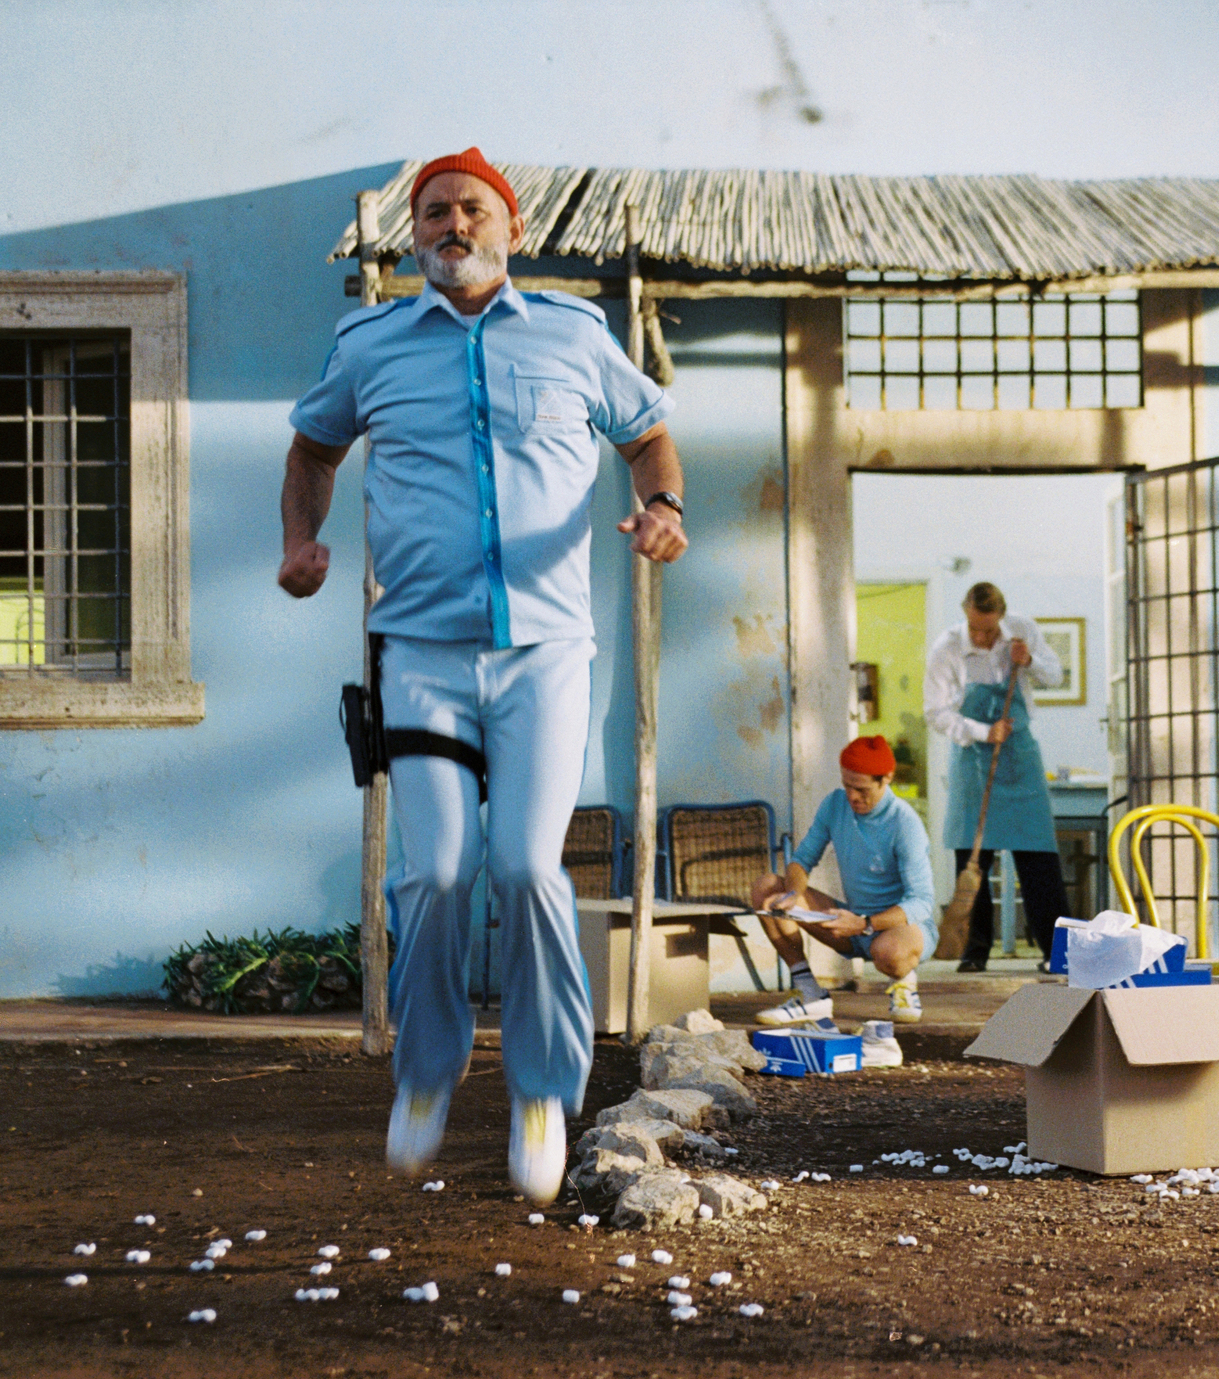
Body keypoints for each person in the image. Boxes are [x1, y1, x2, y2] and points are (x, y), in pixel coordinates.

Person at [278, 148, 688, 1204]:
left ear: (508, 227)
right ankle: (426, 1070)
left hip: (544, 655)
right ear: (412, 233)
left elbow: (646, 434)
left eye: (470, 208)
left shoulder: (571, 335)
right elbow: (314, 449)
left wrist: (663, 510)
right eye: (432, 212)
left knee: (525, 865)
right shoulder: (369, 344)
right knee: (435, 871)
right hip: (418, 656)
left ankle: (544, 1090)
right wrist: (301, 541)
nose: (450, 224)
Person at [924, 583, 1070, 972]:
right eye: (975, 628)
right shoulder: (947, 647)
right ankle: (974, 951)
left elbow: (1055, 675)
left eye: (989, 630)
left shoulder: (1022, 630)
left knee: (1038, 856)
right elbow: (935, 712)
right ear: (965, 614)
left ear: (1001, 617)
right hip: (973, 758)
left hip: (1019, 757)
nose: (982, 637)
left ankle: (1058, 954)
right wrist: (982, 731)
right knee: (972, 857)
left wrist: (1031, 661)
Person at [749, 736, 937, 1030]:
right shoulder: (835, 805)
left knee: (889, 952)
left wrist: (865, 923)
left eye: (861, 789)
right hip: (851, 923)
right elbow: (801, 860)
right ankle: (809, 994)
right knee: (767, 890)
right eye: (847, 785)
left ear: (886, 779)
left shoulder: (905, 822)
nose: (852, 796)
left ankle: (904, 983)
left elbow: (922, 902)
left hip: (899, 931)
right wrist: (792, 893)